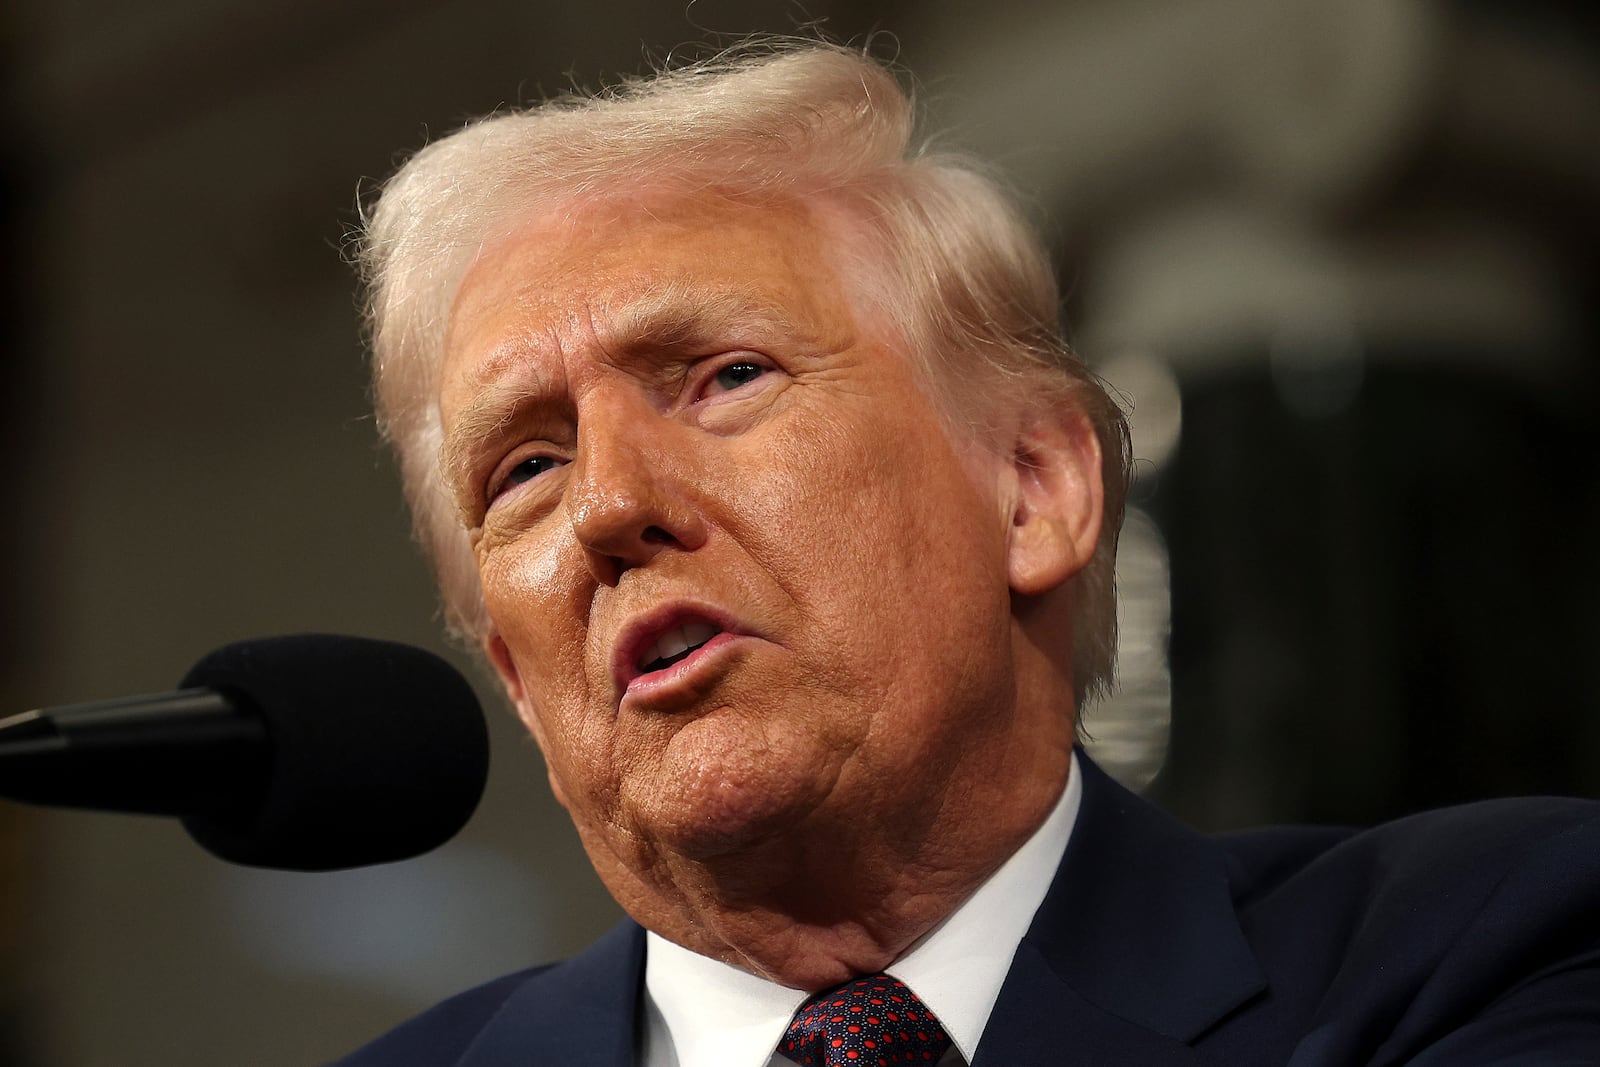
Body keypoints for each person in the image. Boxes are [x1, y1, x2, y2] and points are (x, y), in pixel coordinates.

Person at [337, 40, 1599, 1067]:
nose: (610, 502)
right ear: (516, 674)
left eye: (725, 375)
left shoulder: (1490, 942)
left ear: (1035, 489)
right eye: (528, 467)